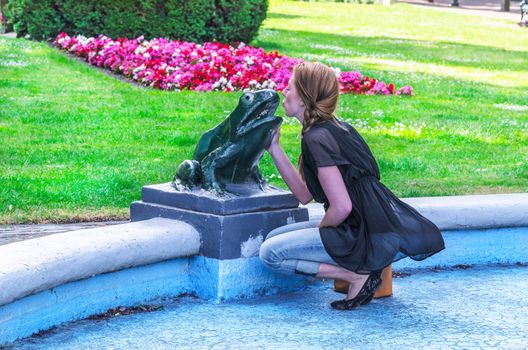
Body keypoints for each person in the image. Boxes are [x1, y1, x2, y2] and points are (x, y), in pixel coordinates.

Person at [259, 62, 445, 310]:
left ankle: (356, 276)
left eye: (290, 88)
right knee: (273, 237)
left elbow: (342, 207)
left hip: (356, 232)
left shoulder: (318, 138)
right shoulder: (335, 128)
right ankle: (359, 272)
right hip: (362, 225)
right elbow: (305, 195)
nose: (284, 92)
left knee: (270, 254)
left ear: (304, 98)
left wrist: (323, 229)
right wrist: (274, 147)